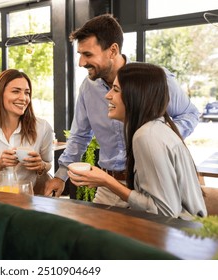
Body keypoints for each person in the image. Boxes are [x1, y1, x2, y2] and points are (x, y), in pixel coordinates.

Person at [45, 14, 200, 206]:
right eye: (80, 55)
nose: (81, 63)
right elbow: (79, 136)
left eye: (88, 55)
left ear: (112, 50)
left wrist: (158, 138)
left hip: (151, 182)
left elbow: (190, 114)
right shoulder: (88, 87)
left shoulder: (154, 80)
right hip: (108, 185)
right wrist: (61, 176)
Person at [68, 62, 207, 219]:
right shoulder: (156, 129)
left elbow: (164, 212)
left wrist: (107, 181)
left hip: (178, 237)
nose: (108, 95)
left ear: (135, 96)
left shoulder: (146, 137)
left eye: (116, 89)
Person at [0, 69, 53, 187]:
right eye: (16, 91)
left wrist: (41, 166)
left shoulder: (43, 127)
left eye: (27, 93)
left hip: (29, 199)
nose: (23, 98)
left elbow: (48, 163)